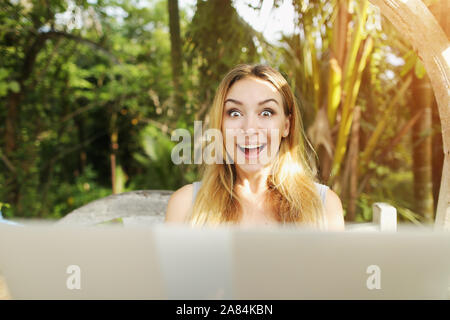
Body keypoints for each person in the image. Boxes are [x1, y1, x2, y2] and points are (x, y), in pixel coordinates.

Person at [165, 64, 344, 230]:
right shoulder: (185, 205)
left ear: (286, 126)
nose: (249, 128)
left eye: (266, 113)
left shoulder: (325, 206)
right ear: (220, 125)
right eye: (234, 113)